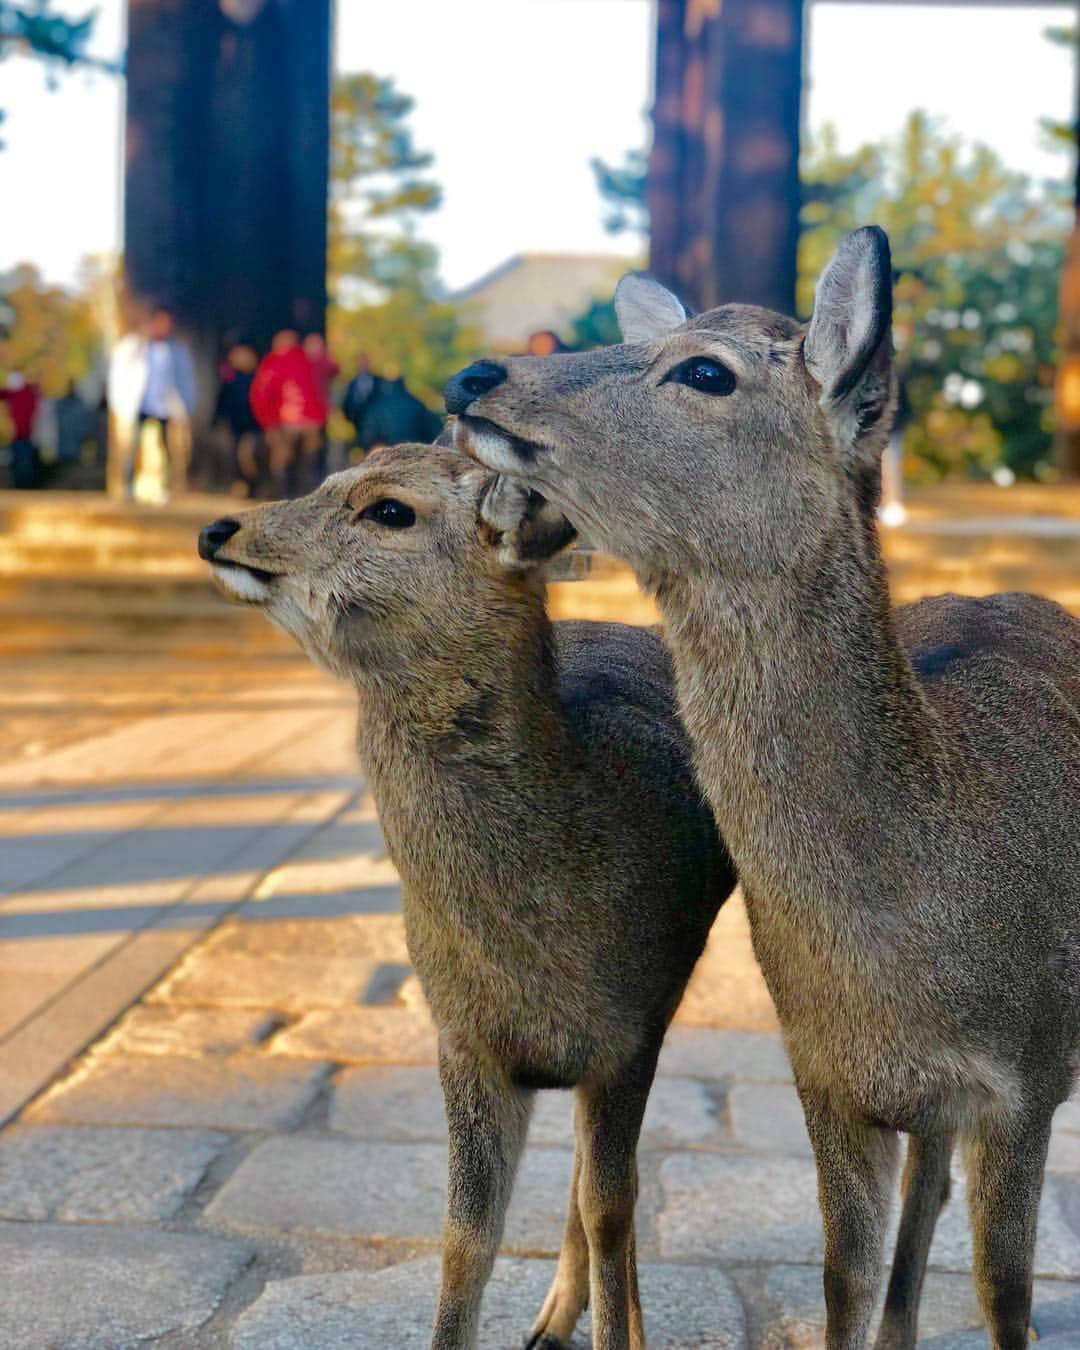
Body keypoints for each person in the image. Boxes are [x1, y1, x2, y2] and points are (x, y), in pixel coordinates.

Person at [107, 307, 197, 501]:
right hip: (141, 404)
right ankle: (128, 486)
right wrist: (120, 401)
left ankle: (165, 489)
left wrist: (185, 404)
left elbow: (185, 380)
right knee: (134, 447)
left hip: (164, 406)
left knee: (165, 448)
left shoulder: (176, 351)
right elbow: (120, 375)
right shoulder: (134, 347)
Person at [249, 328, 326, 498]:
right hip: (313, 422)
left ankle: (283, 502)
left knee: (282, 465)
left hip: (288, 423)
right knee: (307, 467)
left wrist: (268, 424)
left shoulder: (274, 361)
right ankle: (307, 504)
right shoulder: (308, 360)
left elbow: (260, 394)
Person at [214, 341, 262, 497]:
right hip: (235, 426)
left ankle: (251, 484)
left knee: (247, 456)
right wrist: (216, 420)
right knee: (235, 456)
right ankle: (242, 485)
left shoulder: (257, 379)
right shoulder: (229, 380)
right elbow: (221, 401)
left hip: (253, 426)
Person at [357, 368, 442, 452]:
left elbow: (367, 435)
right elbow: (435, 430)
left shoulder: (375, 406)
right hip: (415, 455)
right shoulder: (415, 403)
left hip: (387, 458)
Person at [302, 332, 340, 479]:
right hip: (307, 418)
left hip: (321, 416)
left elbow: (336, 368)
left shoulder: (324, 363)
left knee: (318, 452)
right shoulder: (301, 364)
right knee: (308, 454)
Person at [0, 372, 42, 489]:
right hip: (18, 435)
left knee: (24, 464)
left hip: (26, 435)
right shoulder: (18, 393)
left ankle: (25, 485)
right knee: (19, 462)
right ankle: (21, 484)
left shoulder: (28, 394)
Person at [341, 353, 377, 457]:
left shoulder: (378, 382)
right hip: (357, 426)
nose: (363, 364)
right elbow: (346, 405)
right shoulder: (351, 384)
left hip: (374, 427)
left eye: (365, 362)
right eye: (360, 362)